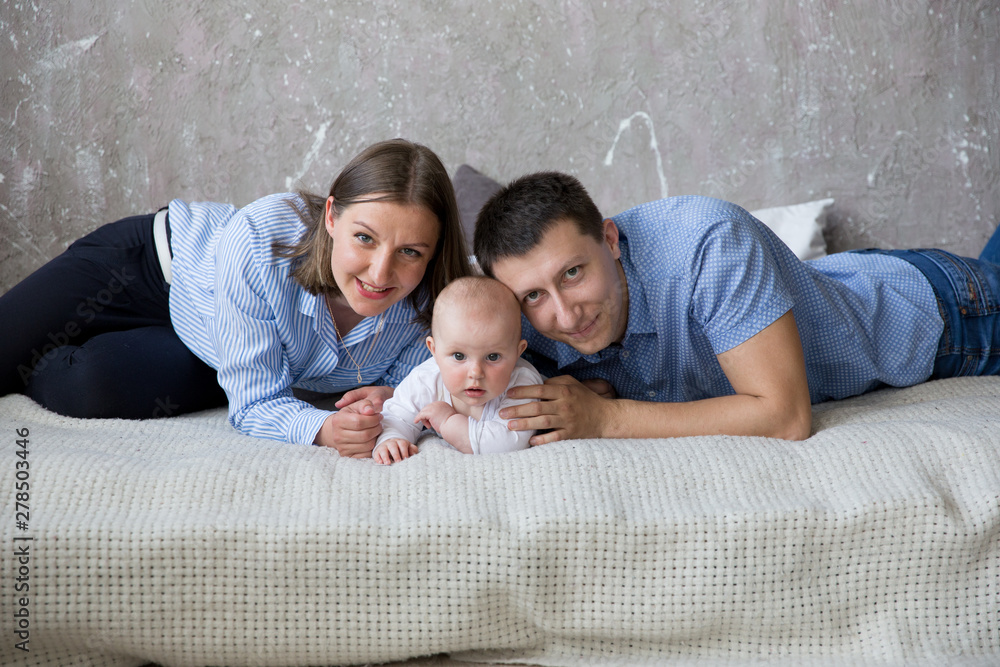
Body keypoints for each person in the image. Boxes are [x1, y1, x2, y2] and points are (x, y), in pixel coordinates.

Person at [1, 139, 472, 456]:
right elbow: (260, 407)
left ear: (433, 256)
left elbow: (496, 345)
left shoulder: (443, 305)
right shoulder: (262, 237)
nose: (380, 271)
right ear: (332, 218)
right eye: (364, 238)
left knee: (87, 381)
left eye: (410, 252)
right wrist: (321, 428)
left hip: (215, 345)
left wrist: (391, 397)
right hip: (152, 269)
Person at [473, 171, 1000, 444]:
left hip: (947, 316)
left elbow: (786, 417)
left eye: (573, 273)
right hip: (841, 278)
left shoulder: (708, 243)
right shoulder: (516, 316)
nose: (565, 317)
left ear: (609, 239)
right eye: (535, 296)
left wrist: (607, 416)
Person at [372, 276, 544, 464]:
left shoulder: (523, 382)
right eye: (459, 356)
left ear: (517, 352)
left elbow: (506, 444)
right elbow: (398, 415)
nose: (476, 372)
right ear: (434, 350)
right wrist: (392, 439)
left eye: (493, 357)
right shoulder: (427, 377)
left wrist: (448, 421)